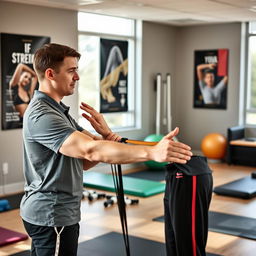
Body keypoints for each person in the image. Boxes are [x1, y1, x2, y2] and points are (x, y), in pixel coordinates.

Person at [20, 43, 192, 256]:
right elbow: (91, 150)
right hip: (52, 215)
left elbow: (85, 160)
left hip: (55, 214)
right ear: (50, 74)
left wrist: (108, 137)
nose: (77, 77)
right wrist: (152, 153)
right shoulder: (43, 115)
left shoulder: (58, 111)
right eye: (71, 70)